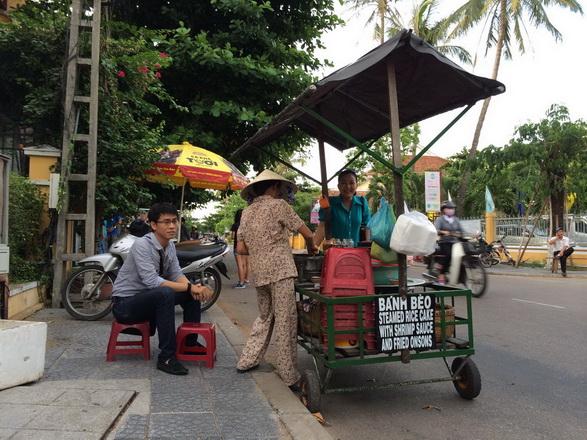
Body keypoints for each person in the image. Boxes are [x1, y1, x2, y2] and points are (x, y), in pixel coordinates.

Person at [235, 170, 318, 390]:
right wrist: (312, 247)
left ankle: (247, 360)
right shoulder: (279, 206)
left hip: (261, 273)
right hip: (281, 272)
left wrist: (260, 248)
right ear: (273, 187)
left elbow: (241, 248)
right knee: (285, 322)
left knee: (265, 317)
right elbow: (308, 233)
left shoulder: (247, 213)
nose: (282, 192)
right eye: (280, 188)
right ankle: (289, 375)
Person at [110, 203, 213, 375]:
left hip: (148, 299)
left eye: (174, 221)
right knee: (165, 292)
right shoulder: (142, 245)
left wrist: (193, 287)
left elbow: (175, 273)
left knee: (189, 293)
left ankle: (189, 343)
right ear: (153, 225)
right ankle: (166, 357)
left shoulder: (170, 245)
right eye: (166, 222)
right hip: (125, 305)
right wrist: (189, 286)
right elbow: (152, 282)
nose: (172, 226)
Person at [313, 169, 370, 247]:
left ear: (356, 185)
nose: (348, 186)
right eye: (343, 183)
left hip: (357, 253)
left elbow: (368, 226)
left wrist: (369, 247)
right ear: (338, 186)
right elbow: (323, 226)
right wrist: (314, 247)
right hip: (335, 253)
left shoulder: (362, 202)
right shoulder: (329, 202)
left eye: (351, 183)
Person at [434, 200, 465, 284]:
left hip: (455, 242)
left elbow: (462, 230)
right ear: (443, 209)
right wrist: (442, 232)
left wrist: (468, 235)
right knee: (449, 254)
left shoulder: (456, 219)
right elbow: (435, 229)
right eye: (449, 208)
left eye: (452, 208)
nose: (451, 210)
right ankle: (442, 274)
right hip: (444, 242)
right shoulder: (440, 220)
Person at [230, 209, 251, 289]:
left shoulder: (235, 225)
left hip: (237, 246)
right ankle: (246, 280)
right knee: (247, 264)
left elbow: (232, 236)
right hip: (246, 246)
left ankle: (241, 283)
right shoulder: (247, 224)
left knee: (240, 265)